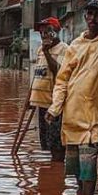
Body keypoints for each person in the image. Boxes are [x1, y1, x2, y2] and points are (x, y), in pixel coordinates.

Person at [45, 0, 98, 195]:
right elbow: (62, 80)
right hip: (74, 114)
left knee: (89, 164)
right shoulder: (76, 45)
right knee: (77, 171)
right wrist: (55, 108)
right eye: (90, 13)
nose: (93, 18)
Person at [29, 17, 68, 161]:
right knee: (46, 143)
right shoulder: (40, 50)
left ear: (56, 32)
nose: (44, 35)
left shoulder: (64, 48)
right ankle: (51, 175)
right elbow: (38, 75)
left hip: (55, 105)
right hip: (41, 103)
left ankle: (57, 175)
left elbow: (60, 73)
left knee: (56, 145)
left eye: (48, 32)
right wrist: (31, 100)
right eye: (42, 32)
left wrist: (47, 52)